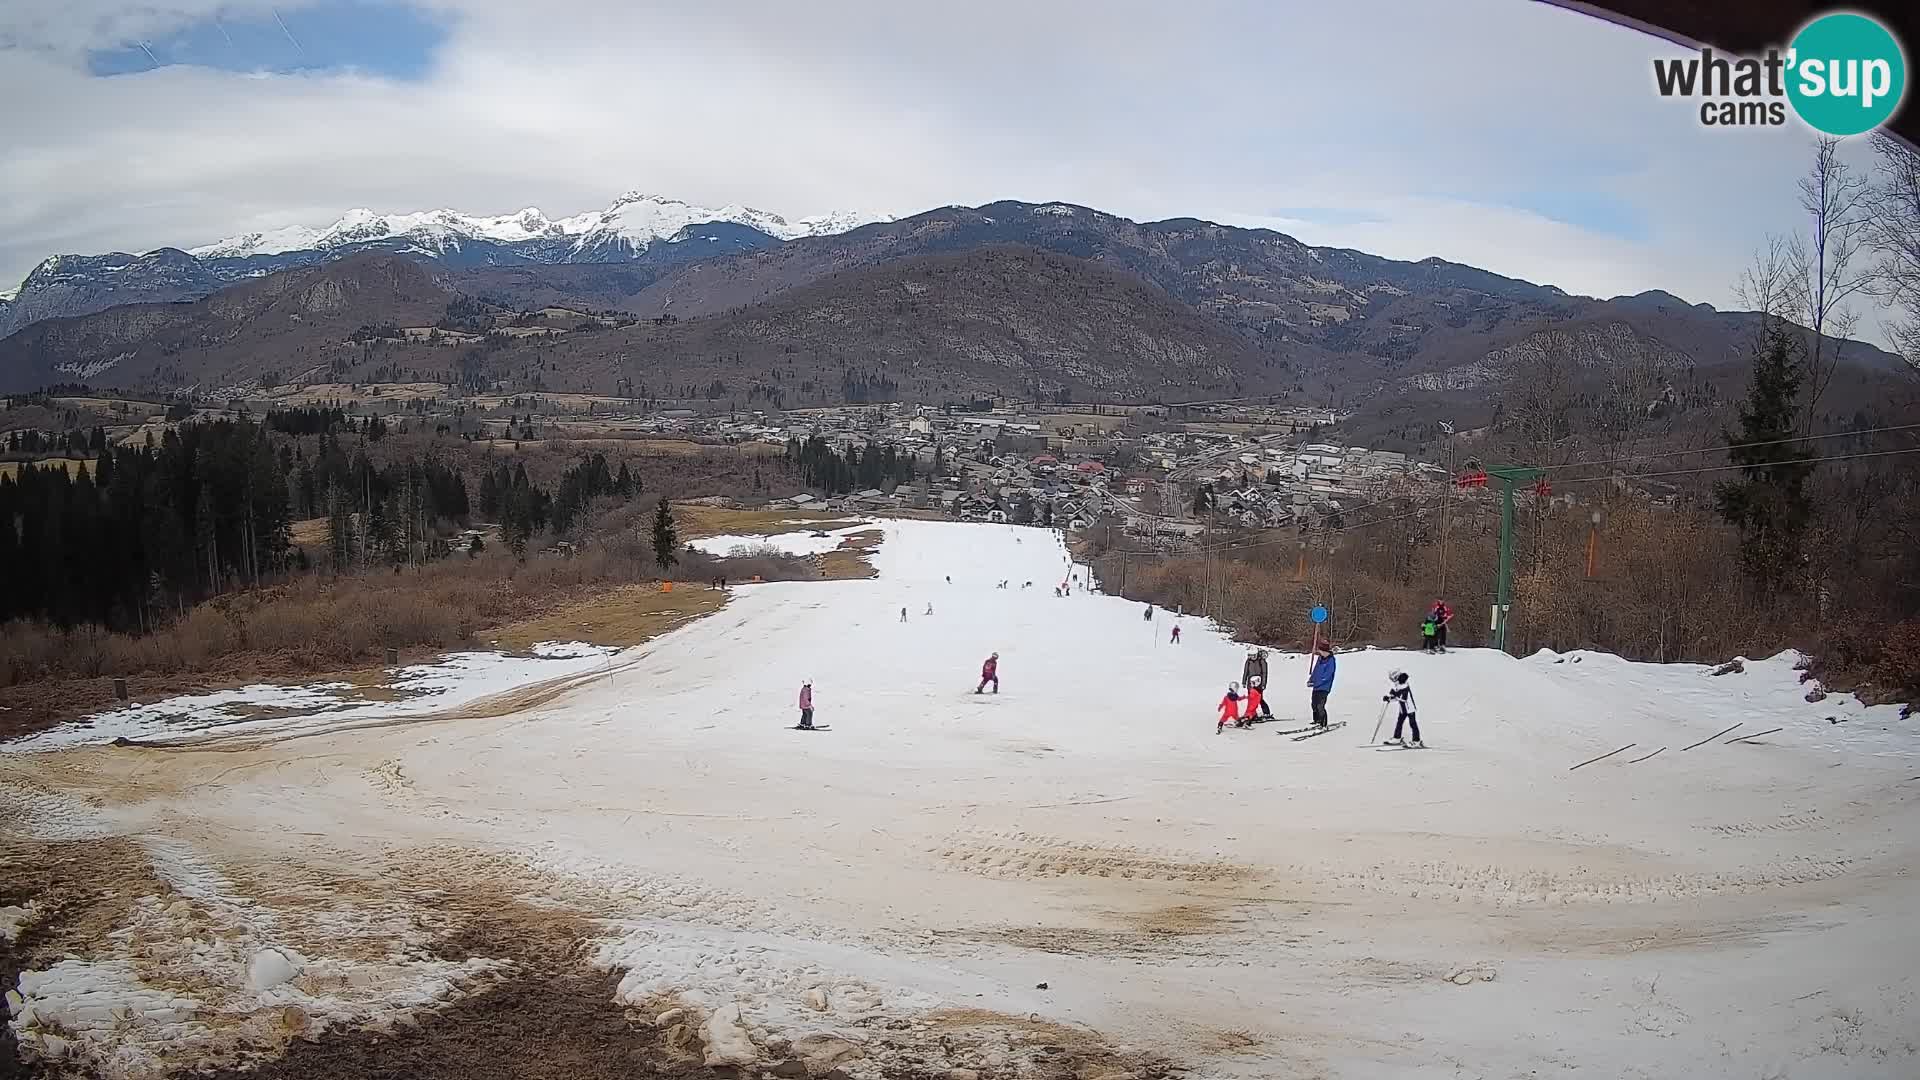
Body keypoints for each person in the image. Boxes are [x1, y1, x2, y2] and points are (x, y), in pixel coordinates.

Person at [1382, 669, 1422, 747]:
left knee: (1412, 723)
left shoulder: (1404, 685)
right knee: (1399, 722)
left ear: (1396, 676)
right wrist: (1388, 697)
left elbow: (1403, 698)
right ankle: (1397, 738)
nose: (1392, 680)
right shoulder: (1397, 684)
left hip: (1409, 708)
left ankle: (1416, 741)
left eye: (1392, 678)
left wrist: (1393, 697)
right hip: (1403, 708)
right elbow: (1394, 694)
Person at [1307, 641, 1337, 729]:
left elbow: (1327, 675)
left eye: (1321, 651)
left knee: (1320, 705)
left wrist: (1317, 682)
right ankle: (1316, 720)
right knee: (1314, 704)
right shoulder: (1320, 659)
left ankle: (1323, 723)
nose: (1320, 653)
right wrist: (1311, 679)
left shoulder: (1331, 661)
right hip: (1316, 687)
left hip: (1324, 687)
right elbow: (1315, 670)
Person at [1242, 648, 1273, 719]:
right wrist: (1244, 681)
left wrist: (1263, 684)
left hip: (1259, 684)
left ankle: (1266, 713)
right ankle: (1252, 713)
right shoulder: (1248, 661)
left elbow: (1265, 674)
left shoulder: (1261, 661)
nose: (1251, 657)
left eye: (1253, 656)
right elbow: (1246, 672)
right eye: (1250, 656)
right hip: (1250, 684)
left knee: (1259, 699)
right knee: (1251, 700)